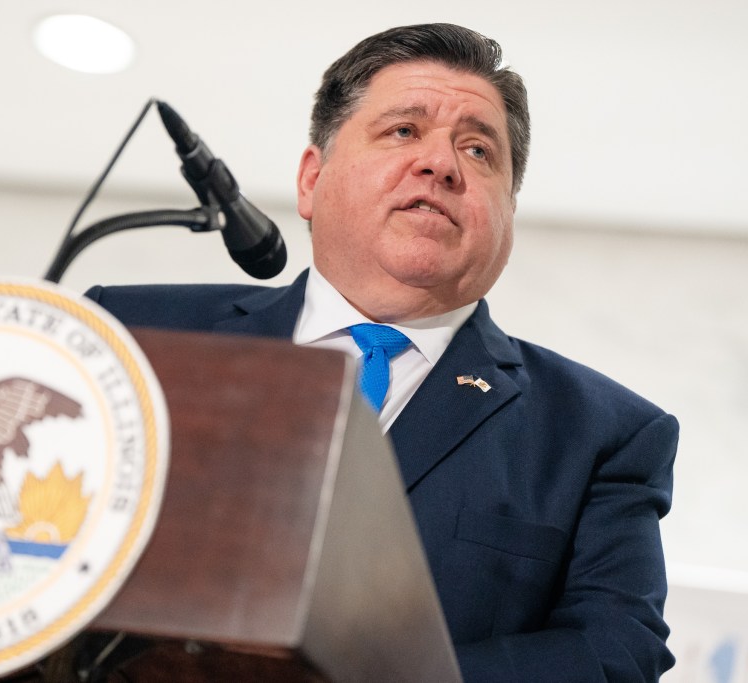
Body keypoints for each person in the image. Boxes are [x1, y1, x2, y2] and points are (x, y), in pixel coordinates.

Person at [86, 23, 677, 682]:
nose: (441, 163)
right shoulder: (129, 335)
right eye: (403, 131)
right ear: (312, 179)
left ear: (508, 214)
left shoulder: (599, 434)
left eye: (478, 150)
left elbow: (616, 652)